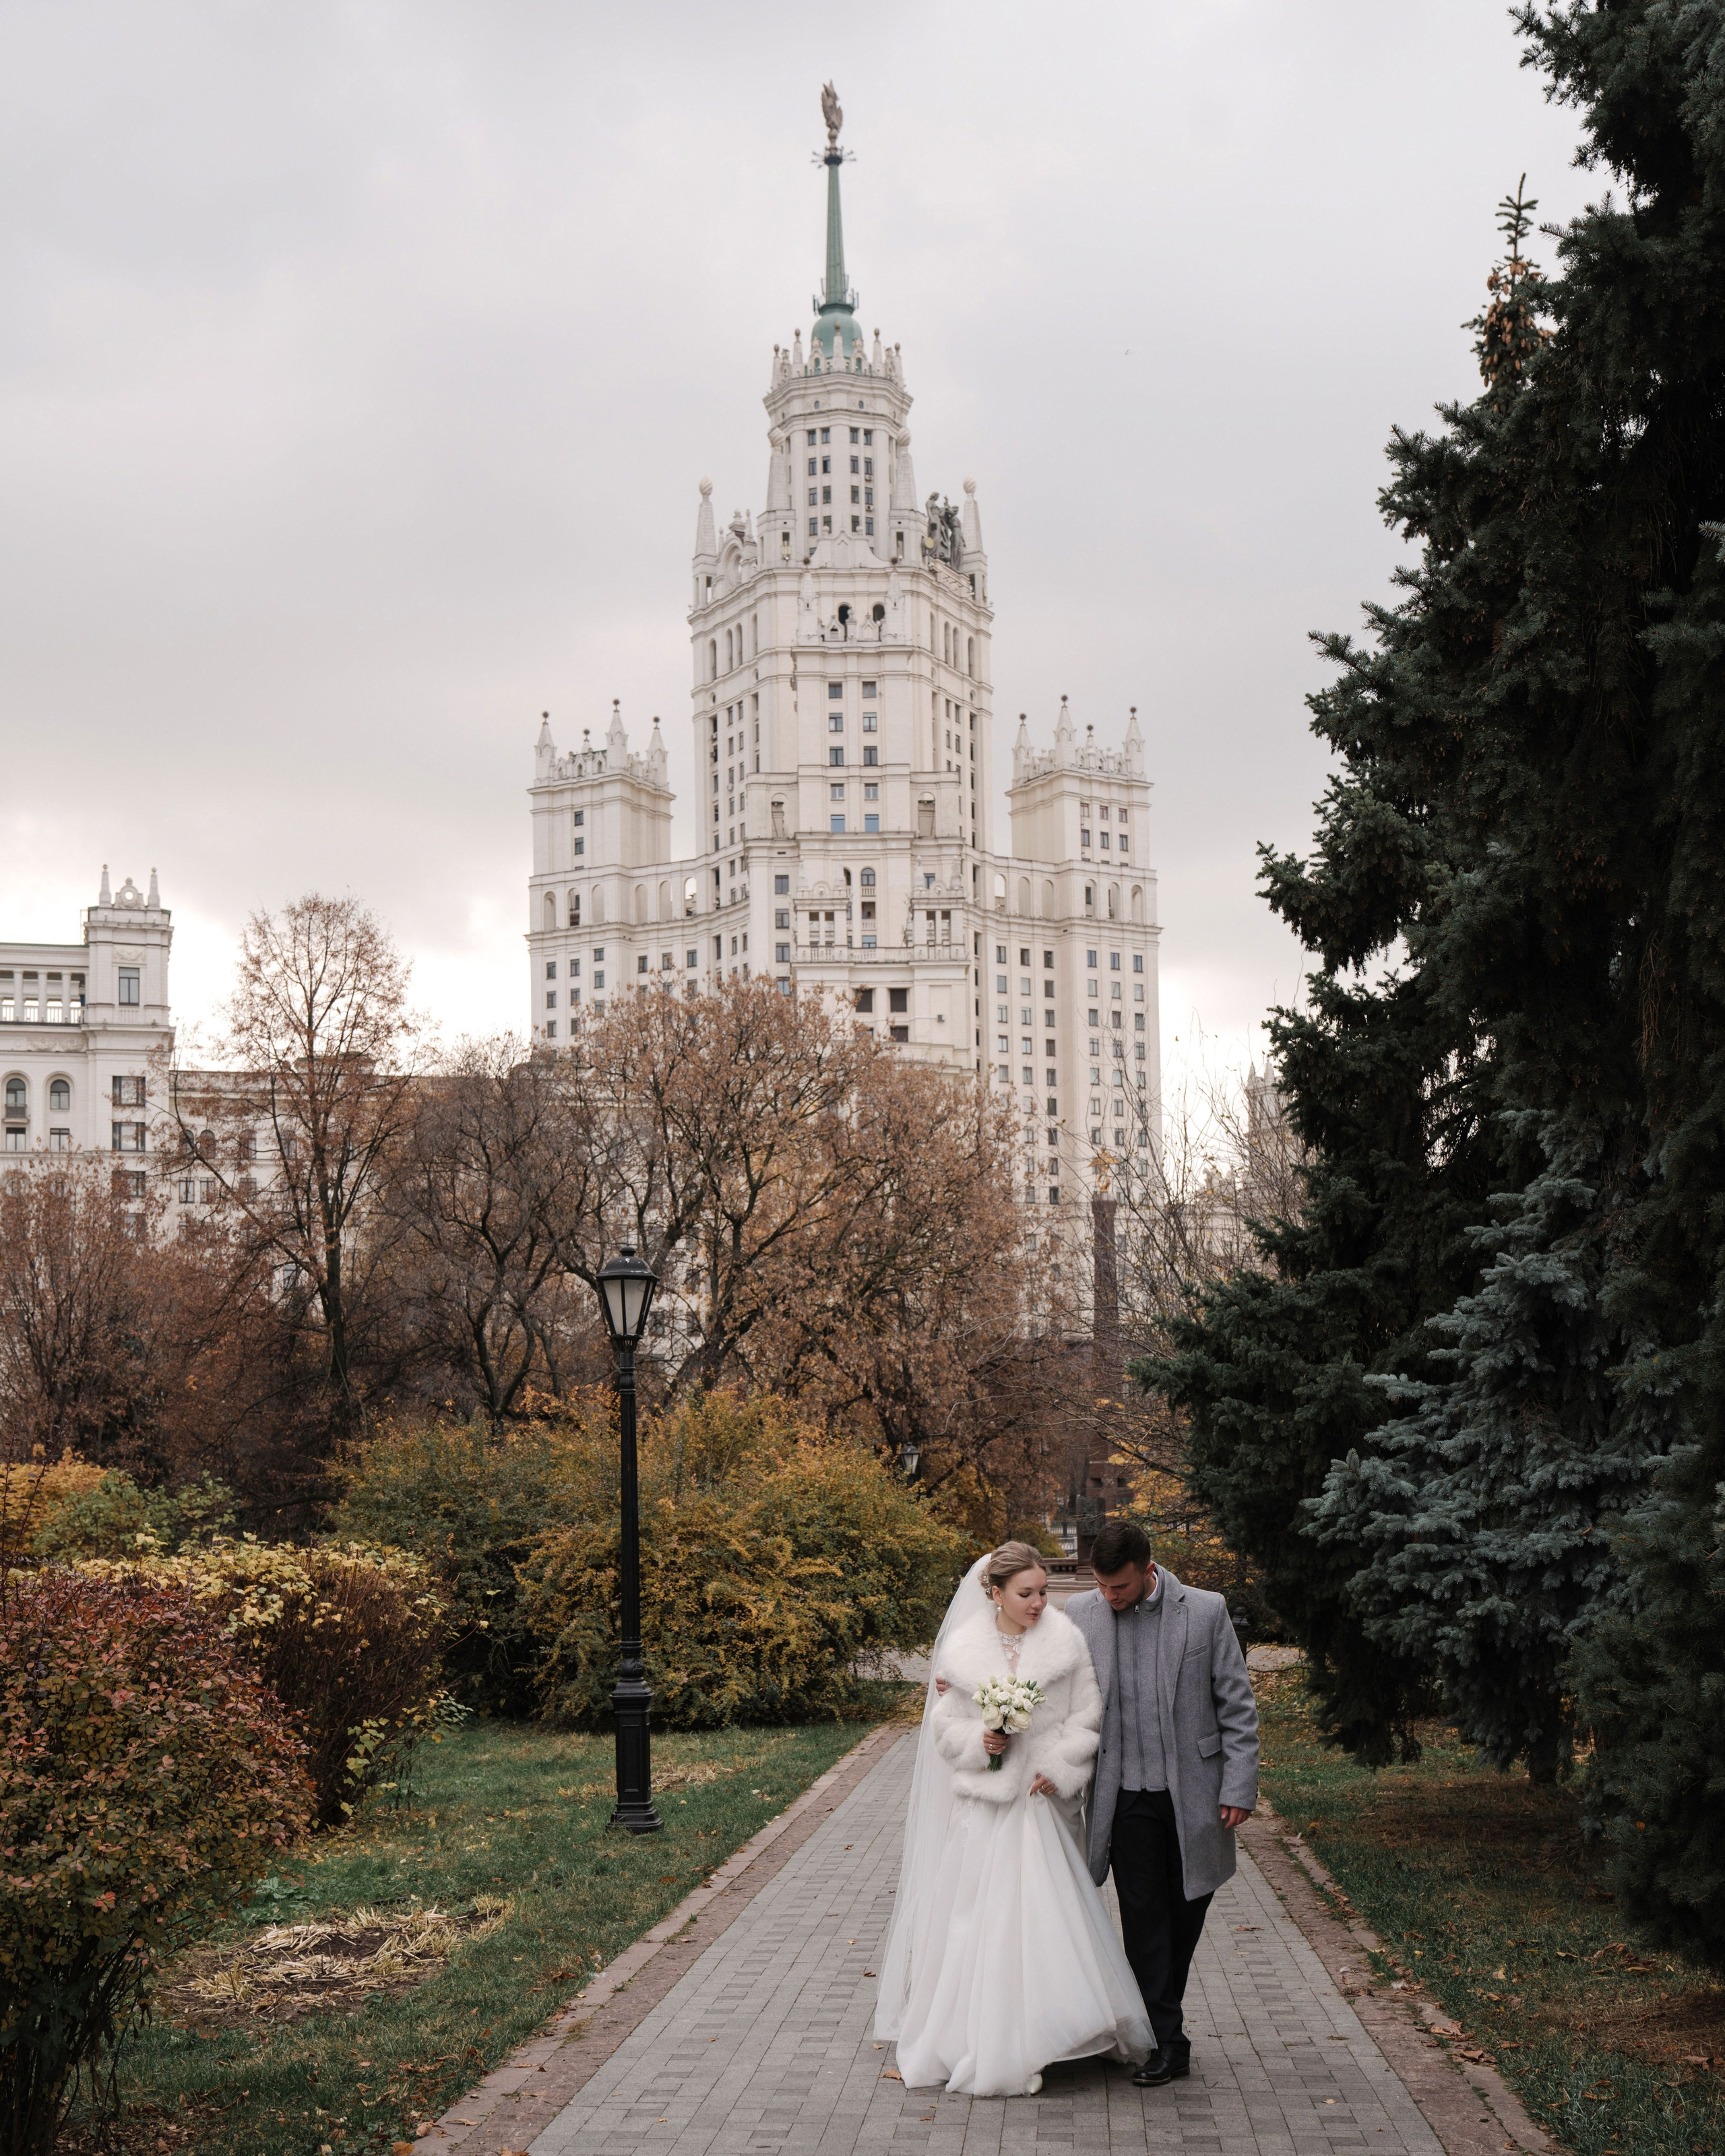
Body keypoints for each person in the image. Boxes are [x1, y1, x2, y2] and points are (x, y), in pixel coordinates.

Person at [874, 1542, 1152, 2097]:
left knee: (1051, 1919)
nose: (1038, 1602)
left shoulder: (1065, 1641)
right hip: (985, 1809)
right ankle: (986, 2037)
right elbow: (944, 1728)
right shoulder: (964, 1650)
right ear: (995, 1593)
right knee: (983, 1922)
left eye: (1044, 1591)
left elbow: (1087, 1714)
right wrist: (982, 1741)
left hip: (1043, 1804)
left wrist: (1059, 1767)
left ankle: (1056, 2029)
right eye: (1026, 1593)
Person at [1064, 1519, 1259, 2087]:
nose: (1109, 1598)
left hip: (1194, 1795)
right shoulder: (1081, 1616)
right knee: (1145, 1919)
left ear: (1148, 1570)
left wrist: (1238, 1786)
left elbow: (1238, 1707)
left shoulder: (1204, 1610)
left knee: (1185, 1916)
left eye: (1119, 1588)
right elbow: (1038, 1675)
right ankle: (1168, 2043)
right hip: (1122, 1798)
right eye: (1101, 1587)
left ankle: (1160, 2021)